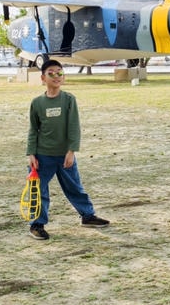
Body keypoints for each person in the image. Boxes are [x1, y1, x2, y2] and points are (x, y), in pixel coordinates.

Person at [25, 59, 109, 240]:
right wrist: (31, 153)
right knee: (38, 191)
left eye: (59, 72)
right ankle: (37, 225)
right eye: (51, 73)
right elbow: (33, 129)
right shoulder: (37, 103)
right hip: (42, 156)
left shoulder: (69, 99)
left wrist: (71, 151)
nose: (56, 76)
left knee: (75, 188)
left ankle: (87, 216)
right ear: (43, 78)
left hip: (64, 156)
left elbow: (73, 127)